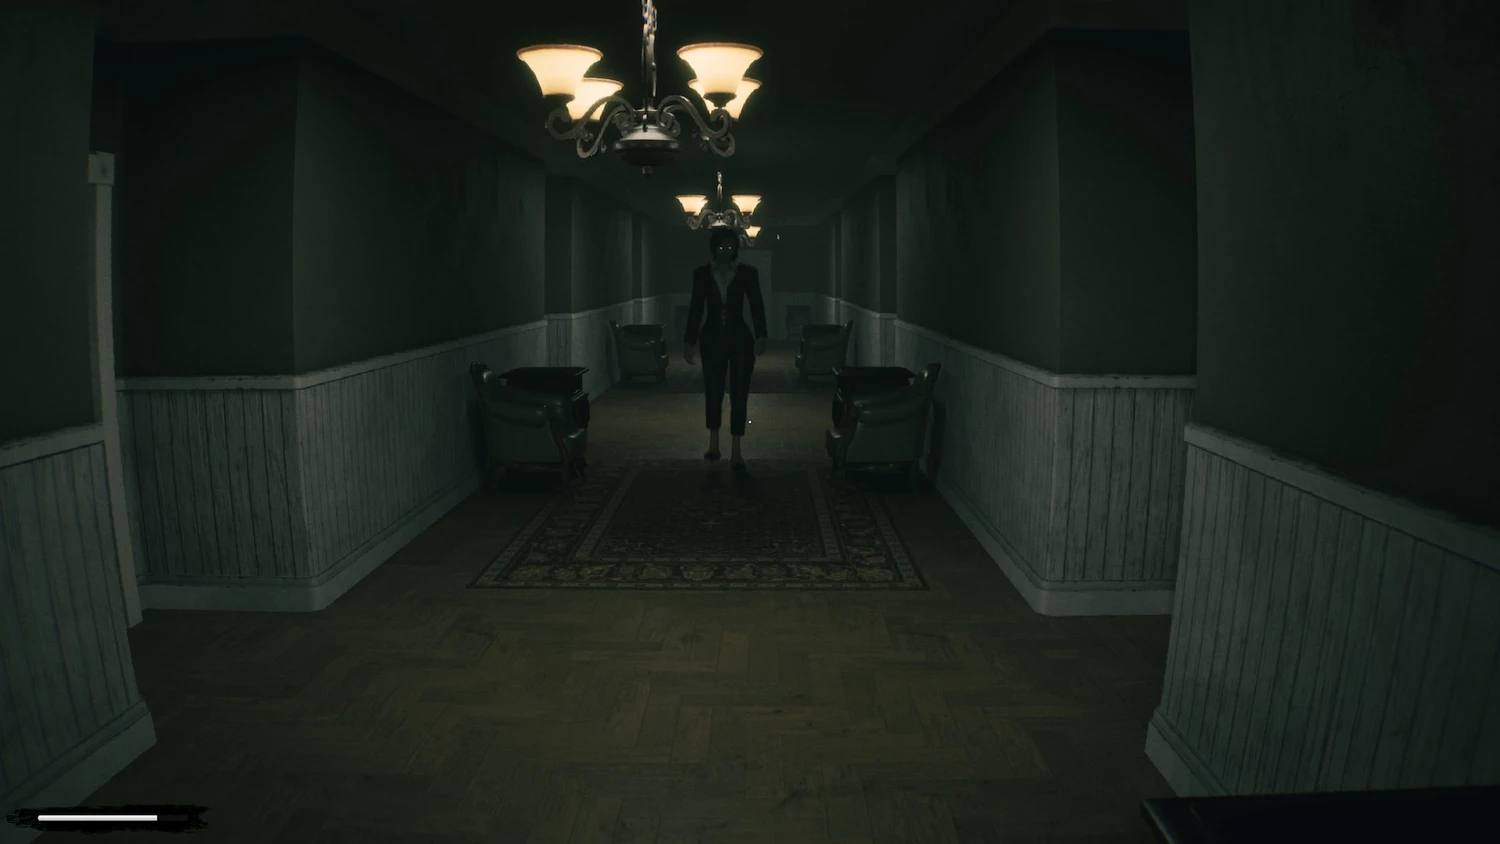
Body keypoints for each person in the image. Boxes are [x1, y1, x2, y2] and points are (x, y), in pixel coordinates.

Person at [683, 226, 768, 468]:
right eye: (721, 246)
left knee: (740, 393)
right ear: (714, 248)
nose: (726, 250)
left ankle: (736, 449)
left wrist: (761, 335)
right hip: (711, 339)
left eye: (730, 246)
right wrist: (690, 341)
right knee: (713, 391)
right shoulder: (702, 274)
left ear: (736, 248)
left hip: (740, 340)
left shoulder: (747, 273)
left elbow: (757, 305)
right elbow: (696, 308)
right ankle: (713, 444)